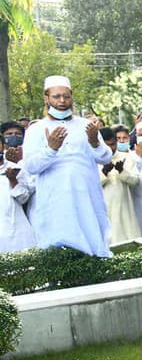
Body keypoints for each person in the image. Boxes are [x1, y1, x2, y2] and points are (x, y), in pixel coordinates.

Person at [22, 75, 112, 256]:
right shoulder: (36, 129)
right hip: (55, 200)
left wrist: (95, 142)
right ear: (46, 98)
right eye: (56, 96)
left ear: (71, 97)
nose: (62, 101)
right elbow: (31, 166)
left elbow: (105, 158)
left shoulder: (86, 125)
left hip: (87, 197)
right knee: (57, 247)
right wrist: (51, 149)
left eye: (66, 96)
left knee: (93, 243)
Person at [101, 125, 141, 244]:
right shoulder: (92, 160)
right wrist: (104, 173)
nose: (110, 148)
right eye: (106, 145)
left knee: (127, 240)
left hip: (125, 208)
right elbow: (88, 186)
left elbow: (135, 181)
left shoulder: (126, 158)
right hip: (103, 209)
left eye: (112, 144)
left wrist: (122, 171)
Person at [0, 122, 34, 252]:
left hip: (17, 233)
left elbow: (23, 198)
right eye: (10, 134)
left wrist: (13, 180)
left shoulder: (15, 168)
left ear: (3, 146)